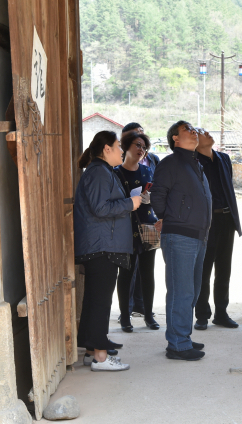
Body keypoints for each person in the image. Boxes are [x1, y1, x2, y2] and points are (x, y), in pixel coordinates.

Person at [74, 130, 142, 371]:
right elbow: (101, 208)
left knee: (94, 300)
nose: (122, 151)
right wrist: (130, 203)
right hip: (102, 245)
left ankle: (92, 350)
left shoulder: (101, 171)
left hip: (101, 244)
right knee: (100, 301)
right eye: (117, 146)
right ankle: (101, 358)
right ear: (106, 149)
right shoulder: (99, 173)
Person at [151, 121, 211, 361]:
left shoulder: (195, 163)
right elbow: (157, 195)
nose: (194, 132)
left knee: (193, 290)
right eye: (187, 129)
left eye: (194, 129)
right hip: (179, 235)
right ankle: (177, 344)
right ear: (175, 138)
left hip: (198, 235)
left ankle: (182, 335)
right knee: (181, 291)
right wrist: (167, 217)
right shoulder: (170, 163)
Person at [193, 128, 242, 330]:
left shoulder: (224, 158)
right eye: (202, 132)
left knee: (224, 269)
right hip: (206, 222)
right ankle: (202, 315)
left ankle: (221, 313)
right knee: (203, 270)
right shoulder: (192, 162)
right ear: (195, 141)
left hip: (226, 219)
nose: (208, 133)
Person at [114, 132, 163, 332]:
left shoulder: (148, 171)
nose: (141, 149)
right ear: (126, 146)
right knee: (125, 273)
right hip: (126, 229)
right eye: (137, 145)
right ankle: (125, 316)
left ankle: (149, 315)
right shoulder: (116, 173)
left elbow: (160, 196)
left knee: (147, 273)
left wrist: (153, 201)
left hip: (148, 226)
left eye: (144, 147)